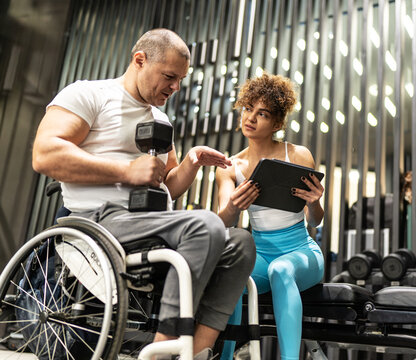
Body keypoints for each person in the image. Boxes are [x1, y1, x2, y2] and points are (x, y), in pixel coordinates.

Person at [32, 28, 256, 360]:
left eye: (180, 79)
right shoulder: (90, 95)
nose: (175, 87)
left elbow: (170, 186)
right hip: (101, 221)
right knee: (205, 225)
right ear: (140, 60)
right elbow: (45, 155)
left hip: (152, 224)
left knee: (239, 242)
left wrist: (191, 162)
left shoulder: (160, 119)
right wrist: (124, 171)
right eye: (169, 76)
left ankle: (197, 350)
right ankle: (162, 350)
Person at [215, 72, 325, 360]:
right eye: (247, 109)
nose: (250, 117)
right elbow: (223, 221)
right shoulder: (229, 166)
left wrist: (315, 203)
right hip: (260, 253)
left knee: (281, 270)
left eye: (262, 113)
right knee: (231, 277)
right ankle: (227, 357)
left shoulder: (298, 155)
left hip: (302, 252)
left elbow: (316, 220)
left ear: (277, 123)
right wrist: (234, 208)